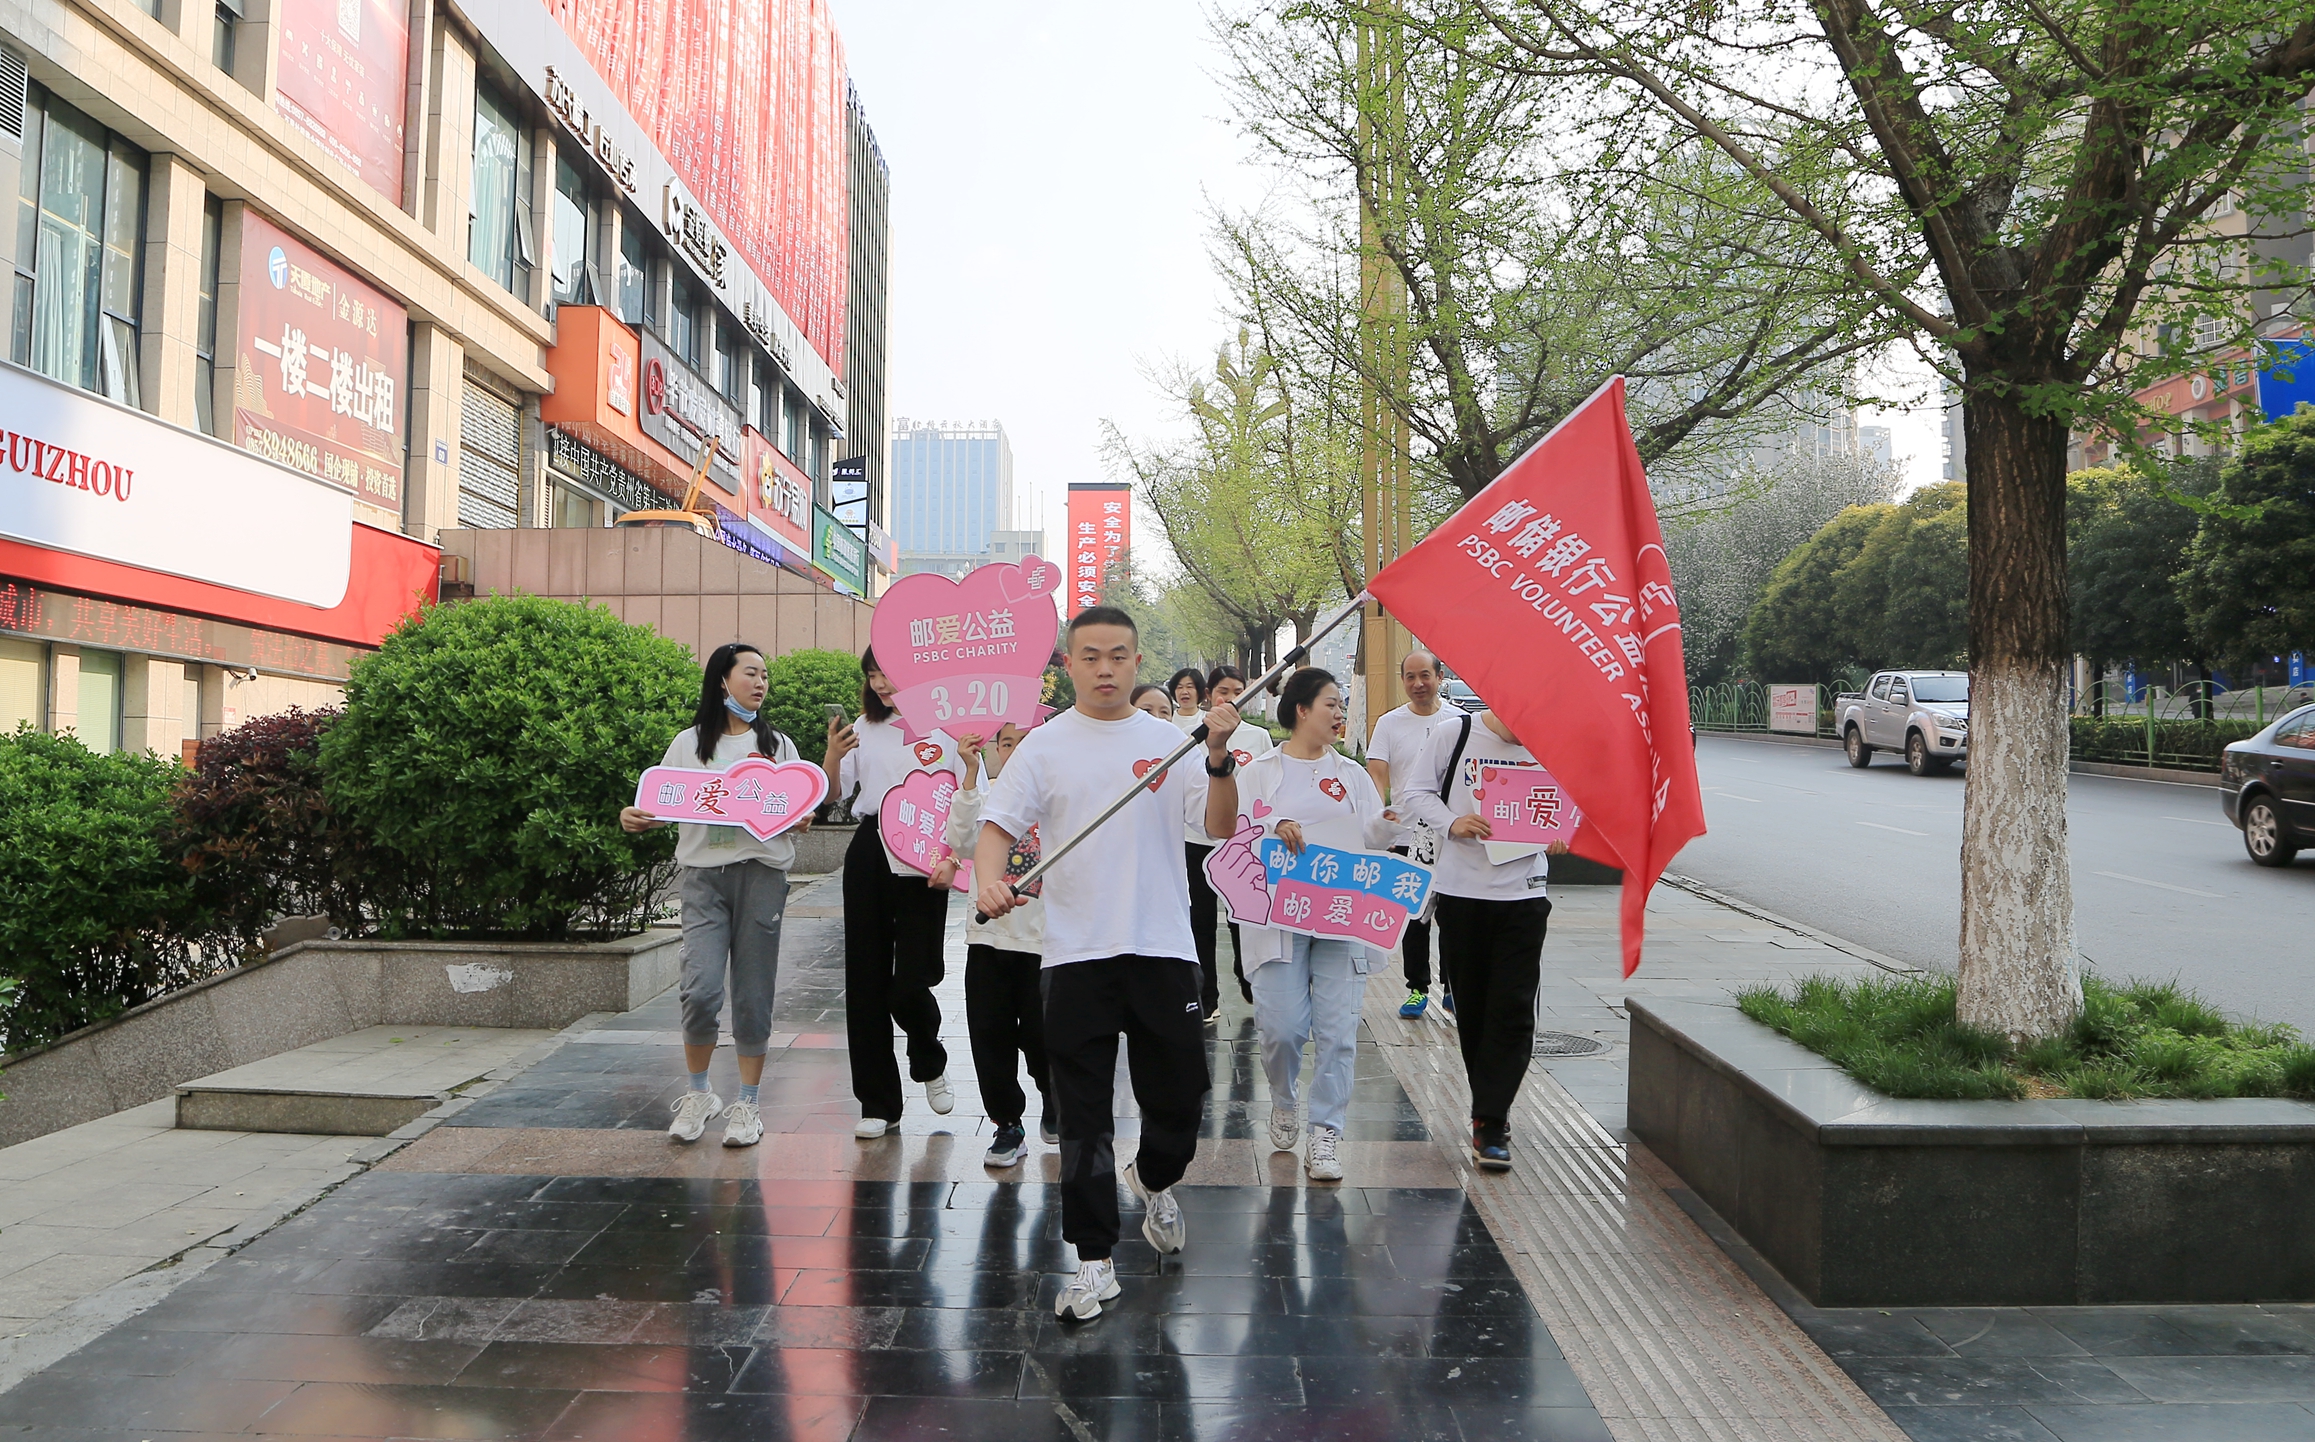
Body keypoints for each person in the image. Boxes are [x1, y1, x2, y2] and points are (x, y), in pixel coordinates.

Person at [974, 605, 1212, 1323]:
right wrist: (990, 878)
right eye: (1090, 656)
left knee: (1179, 1100)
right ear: (1068, 665)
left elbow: (1222, 823)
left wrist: (1222, 758)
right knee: (1082, 1117)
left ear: (1137, 661)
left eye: (1118, 655)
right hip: (1075, 955)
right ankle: (1092, 1260)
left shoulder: (1173, 742)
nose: (1105, 668)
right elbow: (996, 830)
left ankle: (1155, 1176)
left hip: (1163, 946)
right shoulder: (1042, 748)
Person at [1202, 670, 1394, 1182]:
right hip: (1276, 920)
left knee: (1338, 1031)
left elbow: (1372, 835)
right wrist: (1273, 827)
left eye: (1342, 705)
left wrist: (1392, 822)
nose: (1339, 714)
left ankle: (1326, 1130)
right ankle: (1284, 1099)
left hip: (1340, 918)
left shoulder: (1352, 775)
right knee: (1282, 1029)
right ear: (1301, 710)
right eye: (1331, 704)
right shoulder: (1261, 770)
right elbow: (1230, 832)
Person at [619, 643, 806, 1149]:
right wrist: (633, 817)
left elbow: (795, 809)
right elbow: (657, 801)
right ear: (723, 680)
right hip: (702, 877)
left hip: (762, 876)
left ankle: (747, 1102)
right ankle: (699, 1094)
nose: (761, 682)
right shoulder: (687, 744)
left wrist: (800, 818)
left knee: (752, 991)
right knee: (700, 989)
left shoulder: (777, 746)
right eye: (751, 673)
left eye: (766, 674)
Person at [1399, 703, 1571, 1172]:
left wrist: (1560, 832)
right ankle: (1488, 1107)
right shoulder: (1454, 735)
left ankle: (1491, 1119)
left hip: (1524, 894)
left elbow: (1573, 804)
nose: (1529, 739)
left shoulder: (1554, 746)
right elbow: (1414, 792)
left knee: (1514, 1008)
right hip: (1462, 893)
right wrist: (1451, 821)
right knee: (1473, 1010)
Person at [822, 648, 965, 1140]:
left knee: (914, 976)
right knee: (864, 979)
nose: (880, 683)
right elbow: (833, 797)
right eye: (872, 675)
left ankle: (929, 1059)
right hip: (870, 849)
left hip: (927, 857)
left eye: (888, 672)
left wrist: (954, 857)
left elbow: (970, 796)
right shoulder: (864, 726)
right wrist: (833, 757)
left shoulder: (948, 728)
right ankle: (878, 1102)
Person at [933, 723, 1054, 1169]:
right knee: (990, 1035)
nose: (1017, 749)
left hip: (1047, 943)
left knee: (1043, 1036)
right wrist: (971, 772)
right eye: (1007, 742)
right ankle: (1007, 1124)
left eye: (1026, 740)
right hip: (989, 937)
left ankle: (1054, 1098)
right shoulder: (989, 795)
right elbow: (962, 841)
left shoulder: (1062, 795)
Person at [1364, 649, 1460, 1020]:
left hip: (1451, 834)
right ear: (1403, 681)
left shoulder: (1459, 721)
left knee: (1452, 915)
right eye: (1410, 677)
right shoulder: (1390, 723)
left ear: (1439, 677)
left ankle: (1453, 988)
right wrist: (1380, 819)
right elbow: (1377, 772)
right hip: (1405, 834)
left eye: (1425, 676)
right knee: (1414, 917)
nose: (1418, 684)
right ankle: (1418, 989)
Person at [1184, 663, 1275, 1018]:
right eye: (1223, 691)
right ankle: (1207, 995)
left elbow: (1268, 788)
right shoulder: (1191, 737)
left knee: (1244, 919)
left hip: (1244, 846)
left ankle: (1248, 977)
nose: (1230, 698)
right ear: (1209, 695)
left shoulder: (1258, 737)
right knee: (1201, 921)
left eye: (1237, 691)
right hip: (1197, 842)